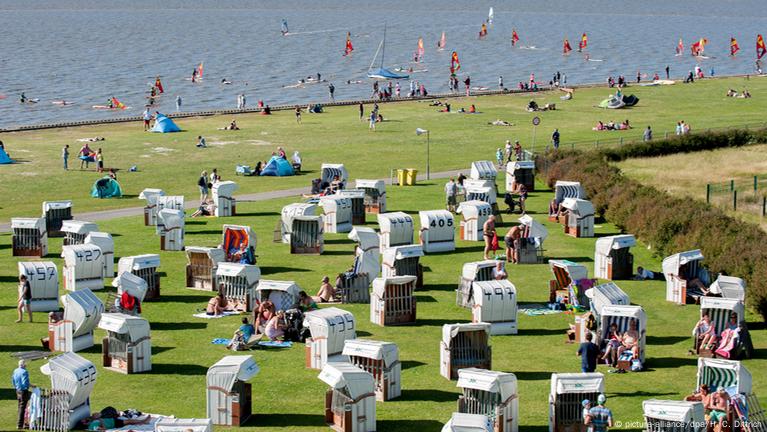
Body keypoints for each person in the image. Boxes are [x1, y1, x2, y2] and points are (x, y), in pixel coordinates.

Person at [13, 359, 31, 430]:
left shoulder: (15, 370)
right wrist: (30, 386)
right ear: (23, 365)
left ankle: (21, 423)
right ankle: (20, 425)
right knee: (23, 407)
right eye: (25, 364)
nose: (26, 366)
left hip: (18, 390)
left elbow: (13, 380)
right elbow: (25, 383)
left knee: (20, 406)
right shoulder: (24, 371)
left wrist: (16, 387)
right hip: (23, 391)